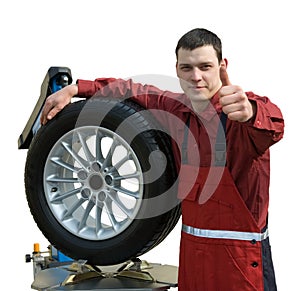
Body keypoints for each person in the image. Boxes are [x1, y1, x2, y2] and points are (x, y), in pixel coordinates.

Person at [41, 28, 284, 290]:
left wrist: (250, 111)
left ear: (222, 66)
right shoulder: (174, 110)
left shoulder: (240, 117)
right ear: (177, 70)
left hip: (240, 267)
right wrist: (76, 88)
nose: (196, 77)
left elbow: (273, 124)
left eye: (205, 66)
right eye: (187, 68)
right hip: (193, 261)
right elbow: (130, 90)